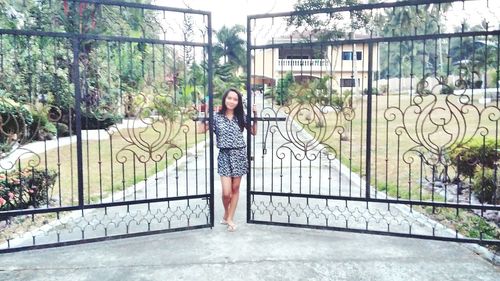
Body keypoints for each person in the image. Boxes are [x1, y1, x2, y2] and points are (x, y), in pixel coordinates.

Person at [198, 88, 257, 232]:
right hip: (224, 155)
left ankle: (229, 217)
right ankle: (226, 213)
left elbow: (254, 132)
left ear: (238, 102)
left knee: (235, 189)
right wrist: (204, 113)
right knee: (226, 192)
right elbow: (200, 130)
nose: (232, 101)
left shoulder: (241, 117)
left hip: (239, 155)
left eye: (235, 99)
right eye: (229, 98)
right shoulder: (217, 117)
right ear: (225, 99)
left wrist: (255, 114)